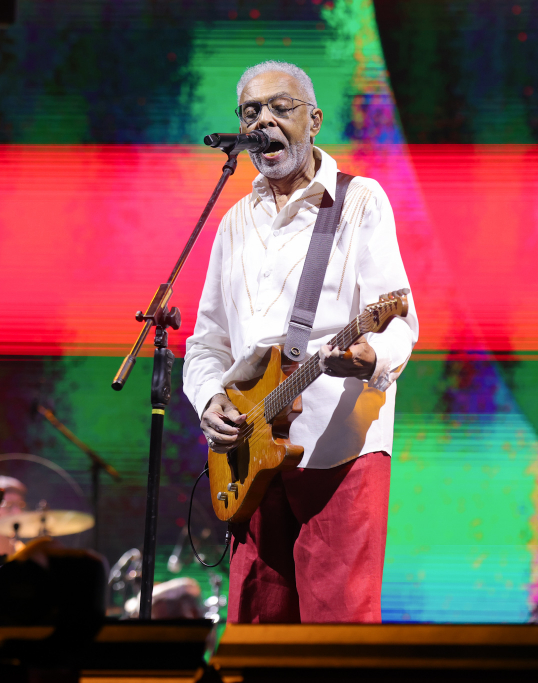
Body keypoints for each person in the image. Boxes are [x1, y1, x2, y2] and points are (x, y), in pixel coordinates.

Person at [183, 60, 419, 623]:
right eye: (250, 112)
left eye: (280, 108)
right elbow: (206, 344)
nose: (262, 120)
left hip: (340, 450)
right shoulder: (234, 222)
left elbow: (400, 321)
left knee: (339, 630)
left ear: (314, 120)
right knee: (255, 630)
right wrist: (209, 400)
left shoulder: (359, 200)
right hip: (251, 455)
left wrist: (370, 358)